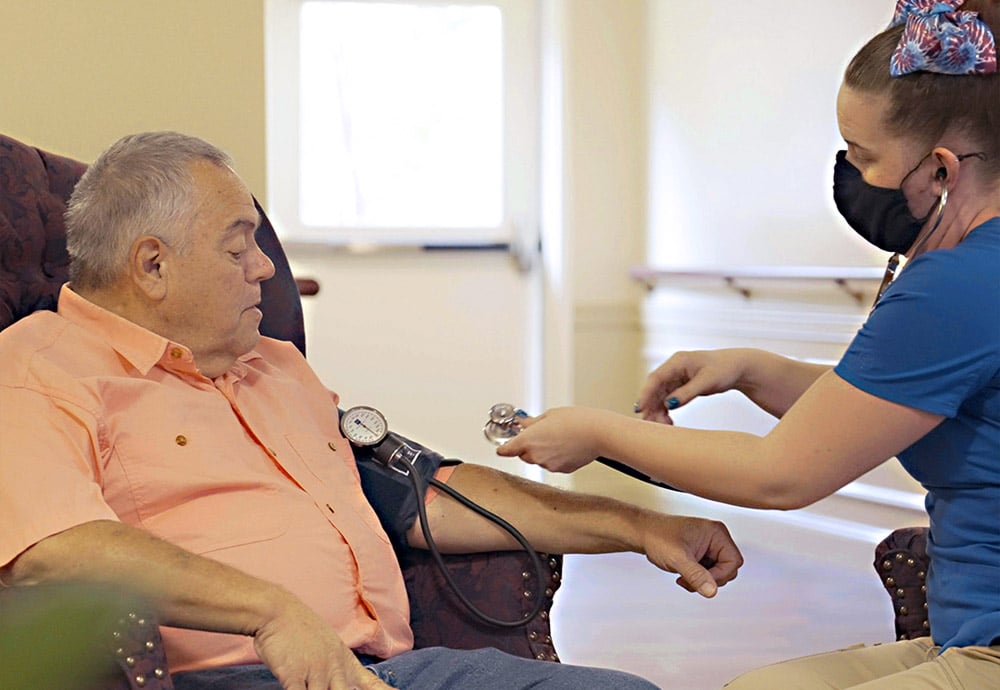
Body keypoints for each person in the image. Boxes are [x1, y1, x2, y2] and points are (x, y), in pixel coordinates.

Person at [0, 130, 745, 690]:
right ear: (153, 265)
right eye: (238, 249)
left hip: (388, 670)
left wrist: (643, 527)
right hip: (239, 675)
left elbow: (422, 494)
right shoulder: (42, 365)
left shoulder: (275, 366)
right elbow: (53, 547)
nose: (266, 267)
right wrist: (274, 612)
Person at [497, 0, 999, 687]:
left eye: (863, 155)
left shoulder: (957, 284)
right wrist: (752, 370)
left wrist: (597, 433)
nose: (849, 172)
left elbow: (783, 473)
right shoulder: (977, 269)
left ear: (941, 171)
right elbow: (882, 402)